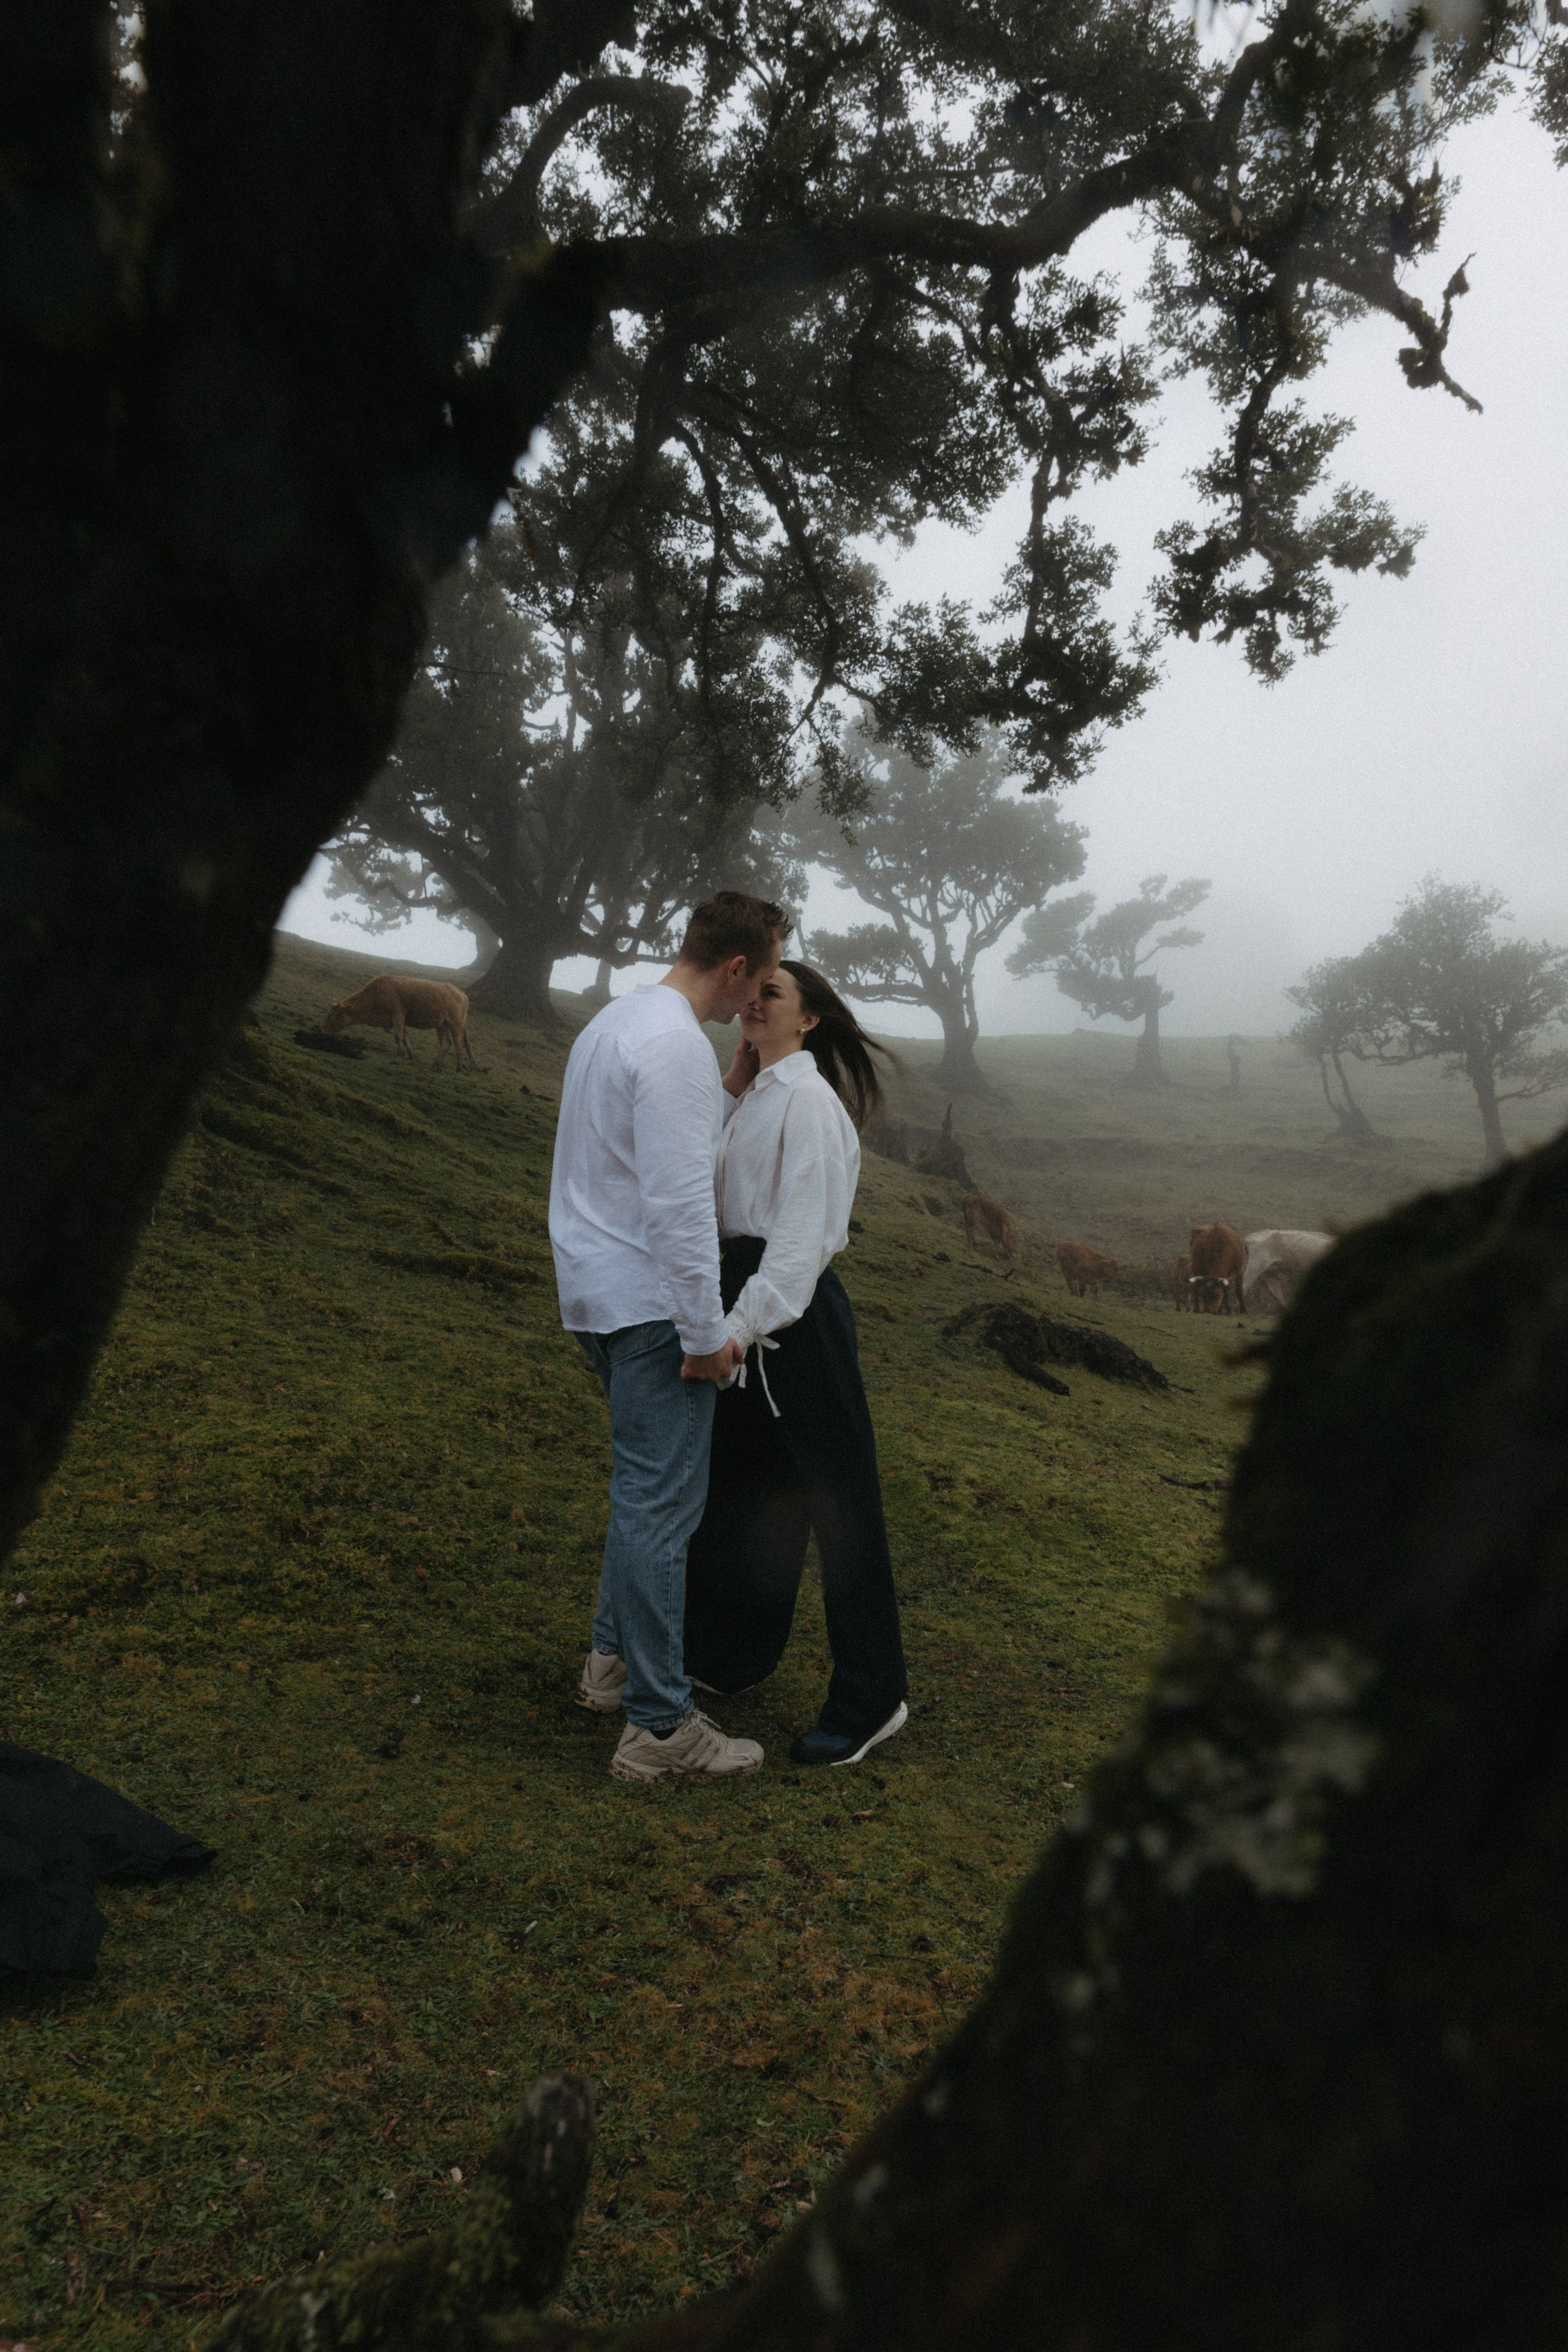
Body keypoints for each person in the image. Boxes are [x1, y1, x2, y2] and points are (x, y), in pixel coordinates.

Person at [549, 890, 790, 1783]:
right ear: (734, 968)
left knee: (640, 1492)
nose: (755, 1002)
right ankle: (660, 1727)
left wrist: (724, 1094)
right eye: (758, 981)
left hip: (596, 1297)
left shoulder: (614, 1025)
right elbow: (681, 1209)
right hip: (656, 1312)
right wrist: (706, 1334)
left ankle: (610, 1665)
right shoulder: (676, 1048)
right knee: (664, 1509)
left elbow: (622, 1159)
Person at [683, 960, 910, 1766]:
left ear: (808, 1020)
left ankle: (871, 1699)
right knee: (747, 1490)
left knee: (838, 1511)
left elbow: (801, 1243)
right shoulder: (757, 1096)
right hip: (741, 1300)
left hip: (793, 1321)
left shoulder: (810, 1105)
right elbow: (705, 1189)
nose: (752, 1003)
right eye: (750, 993)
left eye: (770, 995)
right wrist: (729, 1085)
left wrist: (737, 1332)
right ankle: (730, 1658)